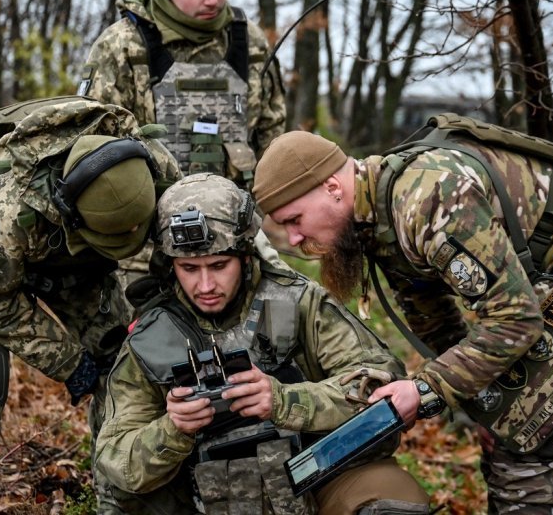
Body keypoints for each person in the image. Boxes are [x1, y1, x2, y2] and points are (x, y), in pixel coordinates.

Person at [251, 120, 553, 514]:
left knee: (525, 461)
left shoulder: (427, 200)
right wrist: (478, 401)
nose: (294, 239)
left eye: (295, 220)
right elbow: (433, 319)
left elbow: (515, 319)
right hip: (537, 290)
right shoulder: (374, 219)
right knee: (505, 433)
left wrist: (427, 389)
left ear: (332, 187)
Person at [94, 173, 430, 515]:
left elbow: (382, 384)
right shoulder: (150, 337)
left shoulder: (298, 303)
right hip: (203, 502)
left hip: (319, 482)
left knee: (393, 505)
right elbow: (116, 460)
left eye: (219, 265)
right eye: (189, 268)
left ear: (246, 255)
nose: (206, 284)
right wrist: (174, 429)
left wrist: (285, 400)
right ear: (171, 266)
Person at [0, 96, 180, 514]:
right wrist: (71, 364)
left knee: (126, 366)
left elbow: (190, 247)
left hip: (80, 261)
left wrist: (156, 312)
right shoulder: (1, 213)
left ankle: (124, 497)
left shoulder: (155, 167)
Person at [78, 0, 285, 187]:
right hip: (149, 212)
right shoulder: (121, 45)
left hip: (241, 210)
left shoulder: (249, 40)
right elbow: (94, 145)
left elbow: (273, 134)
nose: (212, 0)